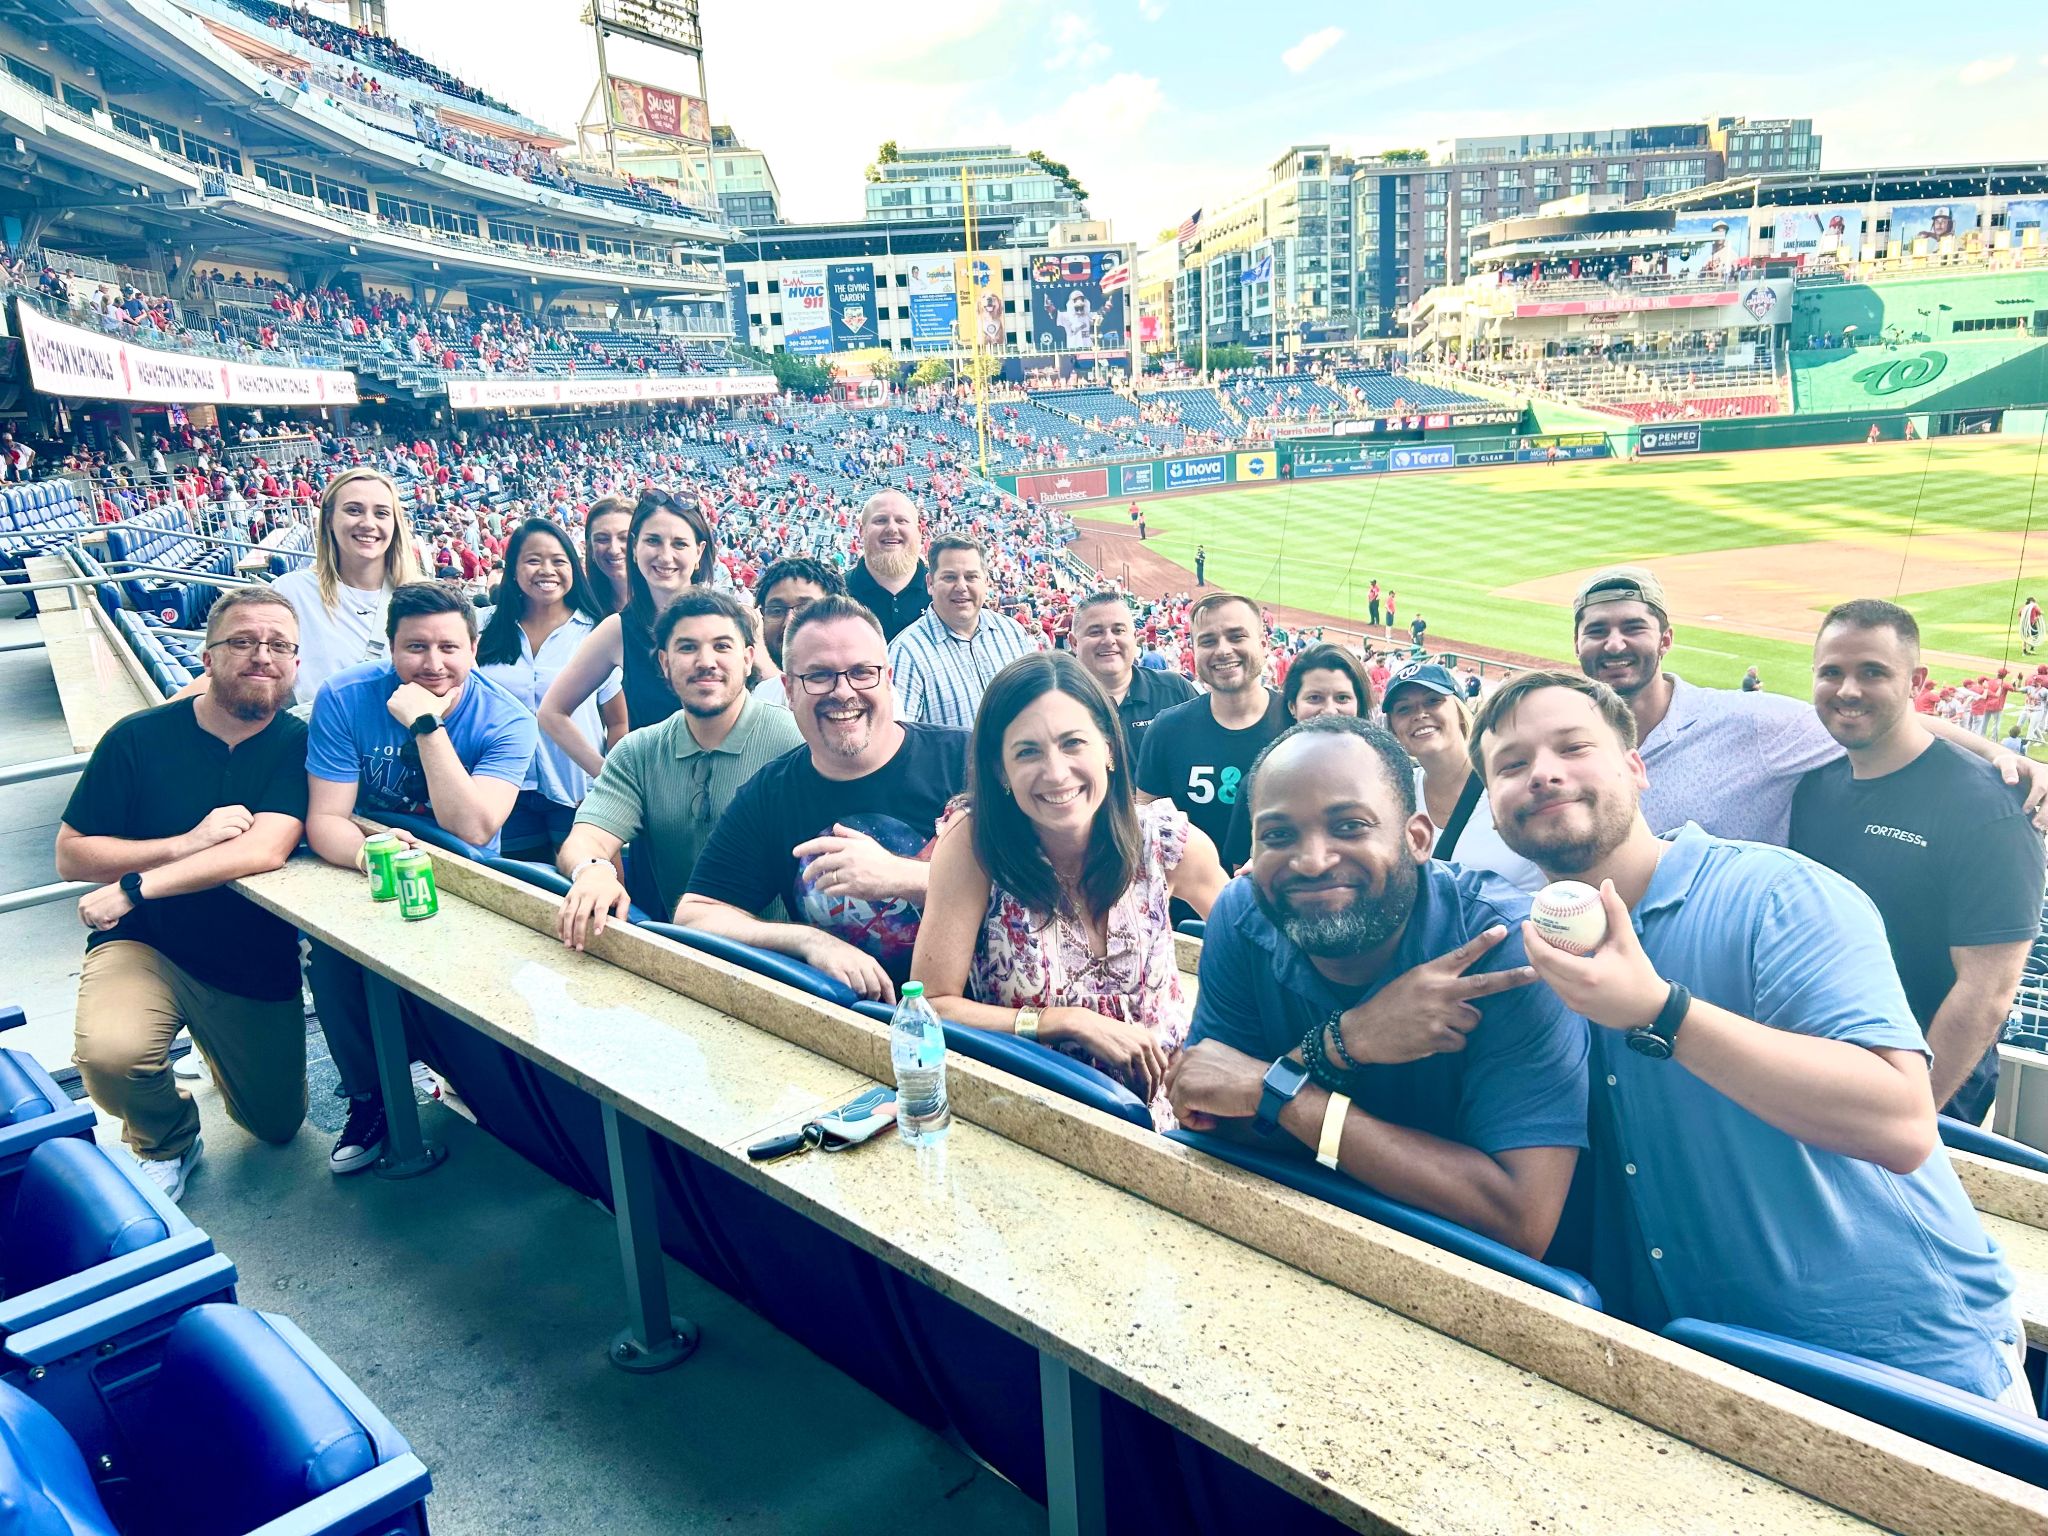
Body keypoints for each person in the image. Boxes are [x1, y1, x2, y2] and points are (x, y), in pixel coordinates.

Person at [1472, 670, 2026, 1405]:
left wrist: (1664, 1013)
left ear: (1637, 770)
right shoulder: (1526, 951)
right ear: (1493, 807)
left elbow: (1900, 1121)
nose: (1543, 772)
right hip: (1705, 1375)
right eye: (1512, 765)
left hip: (1909, 1367)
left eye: (1574, 747)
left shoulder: (1778, 895)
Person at [1165, 717, 1587, 1259]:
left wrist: (1280, 1092)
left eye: (1349, 826)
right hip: (1278, 1245)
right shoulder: (1244, 915)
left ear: (1416, 838)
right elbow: (1210, 1113)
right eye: (1277, 835)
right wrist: (1347, 1040)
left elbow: (1518, 1219)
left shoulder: (1507, 951)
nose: (1313, 861)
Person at [58, 589, 311, 1202]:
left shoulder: (298, 744)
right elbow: (72, 853)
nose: (262, 656)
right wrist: (182, 843)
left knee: (276, 1126)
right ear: (207, 655)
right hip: (147, 942)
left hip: (252, 958)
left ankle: (218, 1050)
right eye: (243, 642)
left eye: (279, 645)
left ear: (297, 663)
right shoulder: (138, 737)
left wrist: (133, 886)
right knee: (113, 1056)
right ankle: (166, 1138)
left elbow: (264, 848)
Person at [911, 654, 1227, 1125]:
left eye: (1072, 743)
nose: (1056, 773)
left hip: (1175, 1125)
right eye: (1028, 752)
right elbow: (930, 1006)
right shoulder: (974, 846)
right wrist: (1062, 1021)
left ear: (1110, 750)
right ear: (1000, 771)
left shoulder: (1165, 842)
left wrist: (1207, 1046)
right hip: (1037, 1121)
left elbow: (1250, 959)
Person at [303, 582, 539, 1175]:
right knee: (334, 970)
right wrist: (370, 856)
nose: (433, 664)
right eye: (415, 647)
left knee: (470, 1004)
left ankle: (482, 1094)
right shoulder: (344, 696)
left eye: (449, 648)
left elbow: (475, 827)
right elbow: (327, 818)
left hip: (465, 882)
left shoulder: (507, 719)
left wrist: (426, 725)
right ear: (389, 647)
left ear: (474, 648)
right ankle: (369, 1098)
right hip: (368, 867)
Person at [1571, 565, 2048, 844]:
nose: (1614, 645)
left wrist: (2000, 756)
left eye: (1633, 627)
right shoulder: (1563, 738)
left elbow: (1885, 723)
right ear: (1577, 644)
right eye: (1597, 631)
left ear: (1665, 639)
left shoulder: (1748, 723)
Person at [1790, 601, 2042, 1125]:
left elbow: (1987, 992)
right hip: (1815, 1072)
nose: (1849, 690)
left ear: (1915, 681)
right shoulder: (1814, 787)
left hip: (1923, 1095)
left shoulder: (1988, 810)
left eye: (1873, 672)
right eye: (1831, 672)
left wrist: (1911, 1114)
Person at [679, 596, 967, 1000]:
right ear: (789, 691)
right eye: (818, 676)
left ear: (889, 678)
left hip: (981, 1029)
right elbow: (695, 915)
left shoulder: (967, 763)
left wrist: (903, 877)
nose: (843, 691)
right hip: (849, 1029)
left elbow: (1049, 889)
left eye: (862, 672)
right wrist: (808, 941)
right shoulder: (771, 794)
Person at [555, 589, 802, 943]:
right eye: (687, 647)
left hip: (784, 958)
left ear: (748, 659)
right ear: (664, 663)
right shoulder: (639, 752)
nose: (706, 661)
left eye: (721, 646)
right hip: (682, 954)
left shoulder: (795, 743)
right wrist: (593, 870)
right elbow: (587, 837)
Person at [473, 519, 623, 860]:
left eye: (558, 560)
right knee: (520, 890)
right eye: (533, 560)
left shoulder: (595, 631)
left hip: (576, 788)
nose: (547, 570)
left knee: (587, 887)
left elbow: (617, 722)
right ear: (513, 570)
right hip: (503, 786)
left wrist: (605, 785)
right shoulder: (484, 626)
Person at [540, 489, 714, 755]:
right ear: (635, 549)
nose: (665, 556)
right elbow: (552, 712)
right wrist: (609, 778)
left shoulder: (736, 620)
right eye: (653, 541)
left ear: (699, 552)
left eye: (679, 544)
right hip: (656, 791)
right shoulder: (617, 630)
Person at [1136, 592, 1289, 870]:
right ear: (1194, 650)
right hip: (1188, 908)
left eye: (1236, 636)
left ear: (1263, 644)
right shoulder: (1166, 729)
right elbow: (1146, 824)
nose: (1222, 650)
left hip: (1278, 905)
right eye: (1208, 641)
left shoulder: (1297, 727)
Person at [1380, 660, 1545, 892]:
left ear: (1459, 711)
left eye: (1433, 701)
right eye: (1404, 709)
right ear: (1394, 729)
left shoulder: (1513, 783)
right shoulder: (1396, 795)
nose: (1419, 714)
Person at [267, 467, 421, 704]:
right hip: (320, 738)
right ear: (328, 519)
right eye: (353, 510)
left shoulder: (424, 598)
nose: (368, 523)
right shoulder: (290, 593)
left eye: (381, 513)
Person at [887, 534, 1038, 729]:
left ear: (985, 581)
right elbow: (900, 742)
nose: (961, 587)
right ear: (930, 583)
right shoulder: (906, 653)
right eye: (949, 577)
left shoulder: (1012, 632)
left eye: (971, 577)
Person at [1069, 590, 1196, 752]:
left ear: (1134, 638)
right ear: (1074, 643)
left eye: (1118, 630)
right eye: (1095, 632)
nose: (1109, 640)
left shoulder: (1175, 690)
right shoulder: (1057, 702)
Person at [750, 557, 845, 710]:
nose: (789, 622)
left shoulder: (864, 694)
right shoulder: (762, 697)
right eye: (776, 611)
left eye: (805, 608)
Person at [842, 490, 927, 642]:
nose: (892, 529)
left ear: (919, 532)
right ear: (862, 531)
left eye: (901, 520)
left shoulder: (943, 592)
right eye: (880, 520)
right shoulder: (836, 595)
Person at [582, 494, 633, 615]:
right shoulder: (583, 609)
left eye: (624, 538)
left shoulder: (669, 601)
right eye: (602, 539)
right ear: (590, 548)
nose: (614, 550)